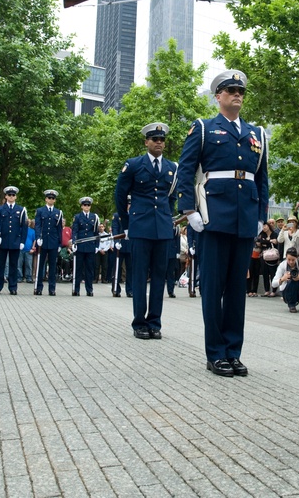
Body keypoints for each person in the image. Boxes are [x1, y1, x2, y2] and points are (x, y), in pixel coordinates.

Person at [177, 70, 269, 377]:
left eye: (240, 90)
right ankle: (215, 353)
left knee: (235, 290)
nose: (237, 94)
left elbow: (262, 179)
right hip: (214, 216)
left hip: (245, 217)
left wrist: (261, 217)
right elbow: (187, 170)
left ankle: (233, 351)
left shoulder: (257, 133)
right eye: (230, 90)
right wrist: (188, 210)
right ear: (218, 96)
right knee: (214, 287)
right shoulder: (204, 128)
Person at [115, 123, 179, 338]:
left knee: (159, 277)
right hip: (140, 227)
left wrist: (167, 217)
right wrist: (127, 224)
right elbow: (120, 196)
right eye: (154, 139)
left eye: (161, 140)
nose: (159, 143)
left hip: (162, 229)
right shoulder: (133, 165)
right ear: (146, 142)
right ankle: (139, 323)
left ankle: (155, 323)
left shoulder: (172, 167)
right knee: (140, 276)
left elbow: (171, 197)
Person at [0, 186, 27, 295]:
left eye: (13, 195)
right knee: (0, 264)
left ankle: (13, 287)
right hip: (3, 240)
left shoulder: (21, 210)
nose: (11, 197)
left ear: (15, 197)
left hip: (15, 241)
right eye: (9, 195)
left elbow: (24, 227)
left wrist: (22, 241)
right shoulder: (0, 209)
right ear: (6, 196)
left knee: (13, 265)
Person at [33, 190, 63, 296]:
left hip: (53, 242)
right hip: (43, 242)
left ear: (54, 200)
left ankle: (52, 289)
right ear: (46, 199)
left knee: (52, 266)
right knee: (40, 265)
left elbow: (59, 229)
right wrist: (38, 237)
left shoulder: (58, 212)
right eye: (49, 198)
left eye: (53, 198)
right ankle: (38, 287)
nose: (51, 200)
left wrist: (60, 243)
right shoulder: (40, 211)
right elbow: (37, 226)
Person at [70, 197, 99, 296]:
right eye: (85, 205)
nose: (87, 207)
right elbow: (75, 231)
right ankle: (76, 289)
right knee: (78, 269)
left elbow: (96, 232)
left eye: (88, 205)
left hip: (90, 245)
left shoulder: (94, 217)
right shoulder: (77, 217)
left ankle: (89, 289)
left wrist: (97, 245)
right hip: (80, 245)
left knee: (89, 269)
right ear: (82, 206)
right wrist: (74, 242)